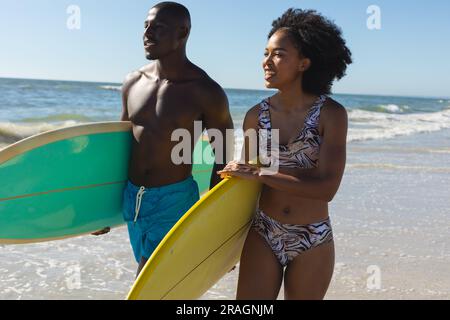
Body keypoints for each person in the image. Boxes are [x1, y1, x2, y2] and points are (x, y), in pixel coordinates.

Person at [219, 8, 352, 300]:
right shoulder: (256, 116)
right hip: (263, 232)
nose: (266, 62)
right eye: (265, 53)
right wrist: (223, 247)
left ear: (304, 63)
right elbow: (244, 189)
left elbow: (326, 188)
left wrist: (260, 172)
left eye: (278, 54)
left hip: (312, 237)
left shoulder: (331, 115)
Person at [94, 2, 233, 278]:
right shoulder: (132, 82)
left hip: (174, 200)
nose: (147, 33)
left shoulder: (206, 92)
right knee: (158, 286)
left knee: (147, 283)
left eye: (158, 27)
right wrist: (99, 209)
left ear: (182, 33)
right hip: (132, 199)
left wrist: (217, 226)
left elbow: (223, 157)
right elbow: (121, 149)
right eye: (145, 26)